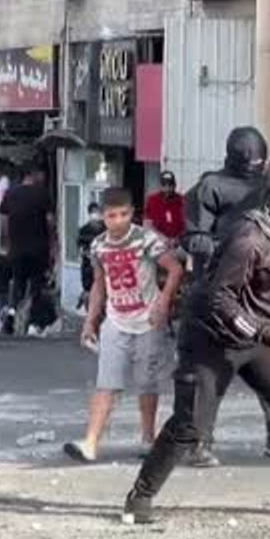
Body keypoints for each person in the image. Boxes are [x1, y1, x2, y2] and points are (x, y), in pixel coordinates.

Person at [123, 157, 270, 524]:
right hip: (211, 336)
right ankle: (140, 497)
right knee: (191, 424)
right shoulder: (249, 237)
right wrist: (269, 334)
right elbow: (219, 300)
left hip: (258, 331)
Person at [182, 125, 270, 466]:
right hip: (221, 290)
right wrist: (224, 247)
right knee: (209, 370)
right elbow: (194, 237)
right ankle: (199, 442)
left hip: (261, 291)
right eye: (247, 157)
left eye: (255, 159)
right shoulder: (210, 187)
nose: (251, 163)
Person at [65, 188, 183, 463]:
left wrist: (164, 302)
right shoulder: (98, 246)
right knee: (106, 383)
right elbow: (99, 284)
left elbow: (175, 269)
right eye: (111, 216)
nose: (117, 221)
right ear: (102, 216)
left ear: (132, 214)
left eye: (123, 214)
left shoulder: (146, 239)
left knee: (146, 383)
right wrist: (90, 321)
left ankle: (148, 438)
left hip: (147, 321)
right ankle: (90, 443)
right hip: (116, 320)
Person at [0, 164, 54, 333]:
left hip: (17, 249)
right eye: (39, 173)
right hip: (39, 249)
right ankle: (33, 323)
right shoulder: (42, 194)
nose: (41, 176)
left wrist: (5, 242)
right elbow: (50, 221)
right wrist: (52, 244)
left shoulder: (10, 194)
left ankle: (11, 317)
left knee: (17, 284)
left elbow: (3, 222)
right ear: (32, 174)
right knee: (37, 285)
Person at [76, 203, 106, 312]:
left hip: (103, 266)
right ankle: (87, 306)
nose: (96, 215)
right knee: (88, 290)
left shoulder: (106, 230)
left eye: (98, 212)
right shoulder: (84, 230)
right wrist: (87, 254)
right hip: (88, 266)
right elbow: (80, 248)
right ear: (89, 214)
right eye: (94, 212)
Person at [143, 171, 185, 245]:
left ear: (175, 185)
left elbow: (187, 224)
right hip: (157, 243)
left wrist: (177, 239)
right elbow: (147, 224)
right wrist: (162, 238)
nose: (167, 189)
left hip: (178, 243)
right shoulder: (152, 200)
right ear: (160, 186)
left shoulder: (182, 200)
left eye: (170, 185)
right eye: (164, 185)